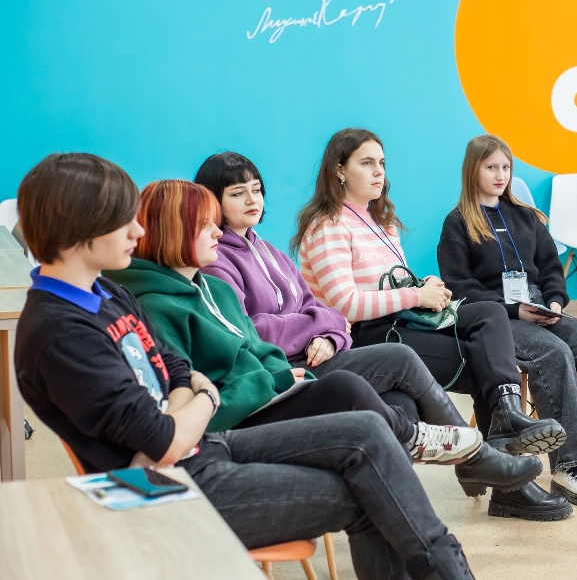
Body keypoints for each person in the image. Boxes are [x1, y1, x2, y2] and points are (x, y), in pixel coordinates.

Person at [14, 153, 475, 579]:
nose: (137, 233)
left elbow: (176, 370)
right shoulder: (60, 330)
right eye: (122, 222)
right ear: (78, 227)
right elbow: (162, 441)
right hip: (166, 485)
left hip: (203, 447)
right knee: (372, 488)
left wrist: (190, 399)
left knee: (369, 431)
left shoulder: (107, 293)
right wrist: (204, 397)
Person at [194, 151, 540, 499]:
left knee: (401, 403)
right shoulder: (216, 261)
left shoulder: (271, 252)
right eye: (238, 193)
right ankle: (477, 457)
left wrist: (329, 336)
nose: (252, 200)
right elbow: (254, 331)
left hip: (320, 355)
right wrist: (317, 325)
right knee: (400, 358)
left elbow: (326, 313)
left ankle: (403, 503)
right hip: (287, 372)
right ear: (212, 201)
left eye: (256, 189)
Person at [294, 128, 572, 521]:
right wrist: (415, 296)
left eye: (382, 163)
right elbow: (346, 303)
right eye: (367, 163)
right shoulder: (329, 225)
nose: (379, 172)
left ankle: (508, 417)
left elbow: (392, 282)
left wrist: (423, 284)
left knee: (489, 315)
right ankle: (505, 479)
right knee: (484, 359)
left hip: (398, 323)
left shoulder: (380, 221)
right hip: (363, 338)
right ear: (339, 170)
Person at [104, 179, 481, 468]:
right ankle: (447, 451)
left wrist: (326, 335)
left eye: (257, 190)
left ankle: (454, 454)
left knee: (398, 395)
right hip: (245, 412)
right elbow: (249, 347)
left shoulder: (219, 284)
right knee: (352, 387)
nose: (217, 231)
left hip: (283, 378)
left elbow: (305, 322)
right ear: (175, 231)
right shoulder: (162, 304)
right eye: (207, 223)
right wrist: (279, 374)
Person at [437, 135, 577, 506]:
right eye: (491, 167)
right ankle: (570, 465)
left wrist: (555, 301)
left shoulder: (526, 217)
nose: (500, 175)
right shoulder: (457, 224)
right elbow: (458, 286)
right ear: (472, 171)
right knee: (554, 354)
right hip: (498, 317)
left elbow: (550, 268)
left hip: (540, 308)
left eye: (505, 167)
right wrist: (513, 309)